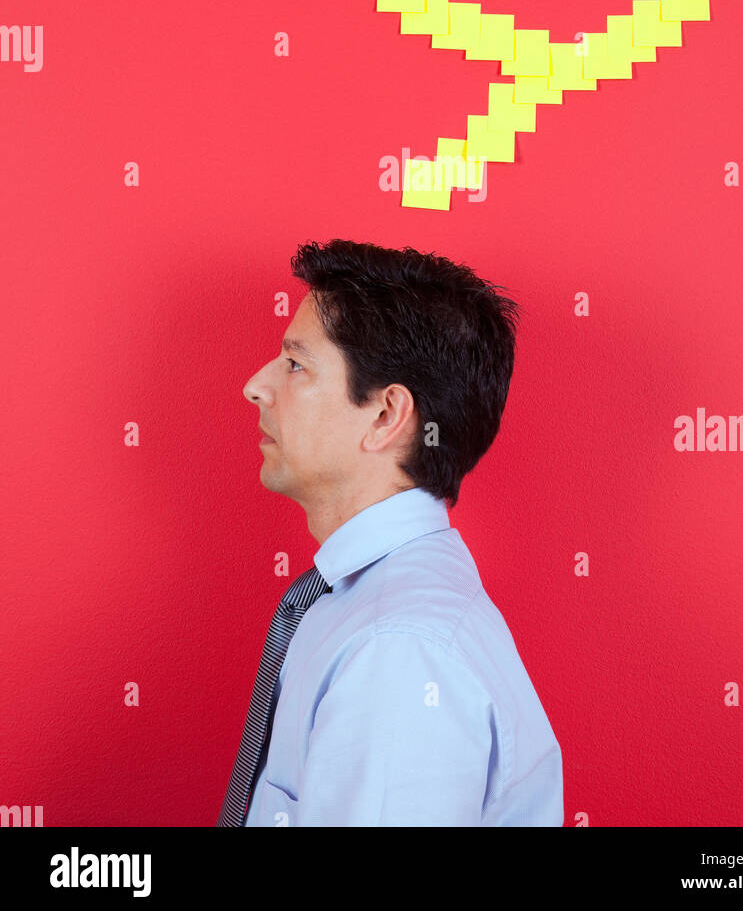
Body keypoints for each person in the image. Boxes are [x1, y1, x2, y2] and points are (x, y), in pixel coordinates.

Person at [217, 238, 563, 827]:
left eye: (296, 364)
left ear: (385, 416)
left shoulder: (397, 651)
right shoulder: (371, 614)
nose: (256, 385)